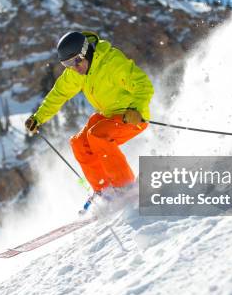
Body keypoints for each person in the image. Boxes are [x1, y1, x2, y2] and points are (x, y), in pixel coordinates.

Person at [25, 31, 154, 193]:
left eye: (76, 62)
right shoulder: (76, 72)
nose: (75, 68)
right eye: (67, 64)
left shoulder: (111, 62)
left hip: (132, 116)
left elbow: (143, 84)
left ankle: (125, 187)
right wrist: (38, 117)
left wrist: (136, 109)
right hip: (108, 114)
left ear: (86, 51)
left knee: (97, 135)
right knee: (79, 143)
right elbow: (59, 93)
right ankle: (104, 191)